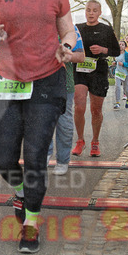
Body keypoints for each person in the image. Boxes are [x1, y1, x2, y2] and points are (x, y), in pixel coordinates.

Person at [0, 0, 78, 253]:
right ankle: (21, 192)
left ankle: (31, 224)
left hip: (46, 81)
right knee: (6, 159)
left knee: (35, 156)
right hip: (8, 81)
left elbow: (69, 32)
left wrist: (65, 47)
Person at [72, 0, 120, 158]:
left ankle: (95, 141)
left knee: (96, 110)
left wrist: (103, 49)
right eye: (88, 10)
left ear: (100, 13)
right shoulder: (77, 28)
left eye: (94, 10)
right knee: (79, 105)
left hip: (98, 70)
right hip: (80, 69)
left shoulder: (106, 29)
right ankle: (80, 140)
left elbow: (116, 51)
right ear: (85, 11)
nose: (91, 13)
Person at [49, 25, 86, 176]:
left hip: (64, 83)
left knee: (63, 122)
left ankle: (63, 160)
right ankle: (43, 155)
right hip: (38, 82)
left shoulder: (70, 29)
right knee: (40, 121)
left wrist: (66, 55)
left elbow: (81, 56)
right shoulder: (35, 22)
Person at [113, 40, 128, 110]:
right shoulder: (116, 54)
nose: (121, 46)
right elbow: (116, 61)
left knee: (126, 88)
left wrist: (123, 64)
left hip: (125, 73)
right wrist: (114, 63)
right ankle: (117, 102)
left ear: (125, 46)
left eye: (122, 45)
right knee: (117, 86)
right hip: (118, 72)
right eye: (119, 44)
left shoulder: (127, 55)